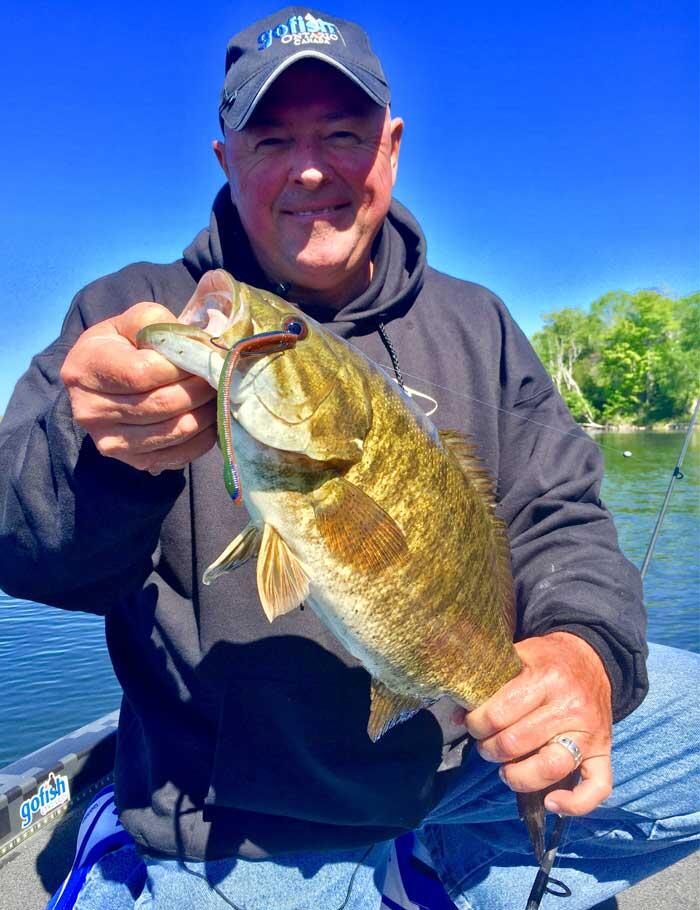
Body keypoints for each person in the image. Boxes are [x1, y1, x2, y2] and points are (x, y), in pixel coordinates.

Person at [0, 7, 697, 910]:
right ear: (224, 158)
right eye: (272, 139)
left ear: (391, 146)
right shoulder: (132, 311)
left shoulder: (478, 323)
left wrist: (585, 654)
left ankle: (453, 853)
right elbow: (22, 548)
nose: (313, 167)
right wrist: (95, 450)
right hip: (251, 813)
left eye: (342, 132)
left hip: (454, 761)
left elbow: (560, 520)